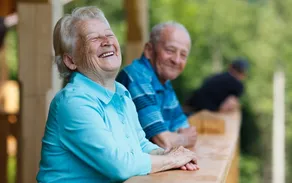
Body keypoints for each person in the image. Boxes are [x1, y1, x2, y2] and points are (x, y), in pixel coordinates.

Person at [37, 7, 198, 183]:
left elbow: (140, 144)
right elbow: (120, 166)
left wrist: (173, 155)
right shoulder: (72, 102)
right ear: (71, 60)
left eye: (109, 34)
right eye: (94, 38)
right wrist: (171, 160)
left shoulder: (121, 92)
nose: (106, 42)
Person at [116, 22, 197, 150]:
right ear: (149, 50)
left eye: (183, 55)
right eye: (170, 50)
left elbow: (185, 128)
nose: (176, 60)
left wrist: (176, 138)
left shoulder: (164, 82)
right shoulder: (137, 77)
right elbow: (163, 142)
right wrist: (183, 139)